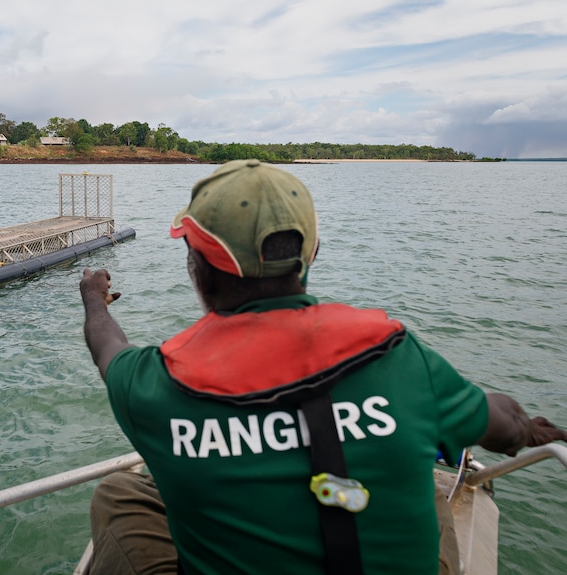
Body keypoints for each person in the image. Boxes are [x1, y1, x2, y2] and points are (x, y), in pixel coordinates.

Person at [79, 159, 567, 575]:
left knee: (122, 492)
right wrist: (525, 427)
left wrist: (94, 299)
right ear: (311, 254)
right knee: (428, 479)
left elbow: (107, 347)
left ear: (194, 262)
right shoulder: (398, 355)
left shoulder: (153, 384)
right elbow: (502, 427)